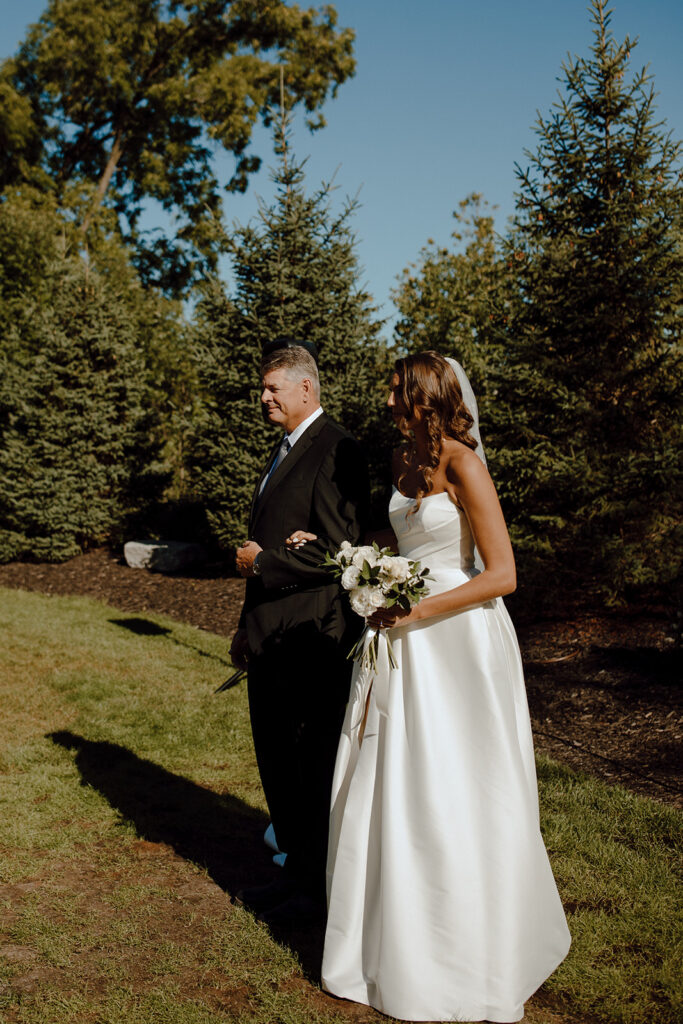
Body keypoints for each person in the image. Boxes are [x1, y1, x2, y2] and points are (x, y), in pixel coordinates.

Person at [289, 352, 570, 1021]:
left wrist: (416, 610)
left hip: (457, 638)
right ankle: (385, 943)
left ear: (424, 396)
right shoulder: (398, 460)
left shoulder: (464, 463)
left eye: (395, 390)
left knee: (455, 779)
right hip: (398, 628)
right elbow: (403, 536)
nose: (386, 399)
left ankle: (473, 945)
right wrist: (353, 560)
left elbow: (500, 574)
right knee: (391, 778)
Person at [230, 341, 369, 926]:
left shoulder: (337, 449)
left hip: (308, 636)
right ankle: (295, 871)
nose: (263, 397)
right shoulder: (286, 448)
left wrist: (263, 564)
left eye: (272, 388)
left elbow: (344, 556)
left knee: (307, 766)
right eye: (263, 388)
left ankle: (312, 889)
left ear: (306, 389)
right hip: (272, 636)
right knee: (278, 763)